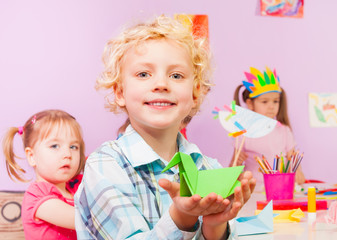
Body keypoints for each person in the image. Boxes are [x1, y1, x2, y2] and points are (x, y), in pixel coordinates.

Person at [75, 15, 256, 240]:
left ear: (195, 93)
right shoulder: (104, 166)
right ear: (120, 92)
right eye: (143, 74)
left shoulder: (210, 168)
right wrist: (182, 216)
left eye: (176, 75)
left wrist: (216, 224)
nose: (161, 84)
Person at [2, 109, 86, 240]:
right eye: (54, 146)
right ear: (32, 156)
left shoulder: (77, 185)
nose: (67, 154)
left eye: (73, 147)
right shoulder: (37, 195)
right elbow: (81, 220)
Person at [229, 67, 305, 188]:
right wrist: (236, 164)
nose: (271, 107)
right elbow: (232, 173)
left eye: (275, 101)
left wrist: (298, 172)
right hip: (254, 189)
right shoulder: (243, 133)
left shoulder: (284, 131)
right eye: (265, 102)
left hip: (281, 187)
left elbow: (293, 159)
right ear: (250, 104)